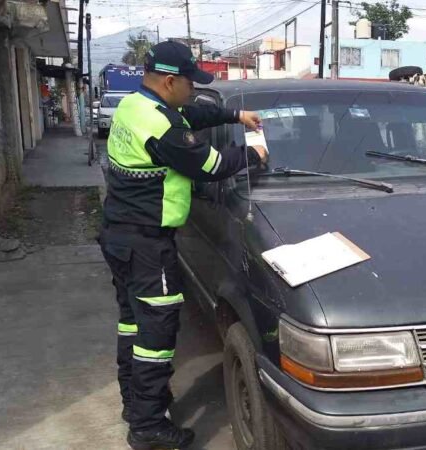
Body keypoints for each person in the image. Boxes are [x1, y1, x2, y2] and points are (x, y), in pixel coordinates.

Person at [98, 41, 268, 450]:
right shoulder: (162, 128)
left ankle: (135, 401)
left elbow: (192, 112)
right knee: (156, 336)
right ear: (170, 81)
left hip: (120, 236)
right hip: (146, 244)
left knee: (132, 324)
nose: (193, 91)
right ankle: (148, 426)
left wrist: (235, 114)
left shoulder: (136, 106)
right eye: (190, 83)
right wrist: (256, 154)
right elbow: (211, 165)